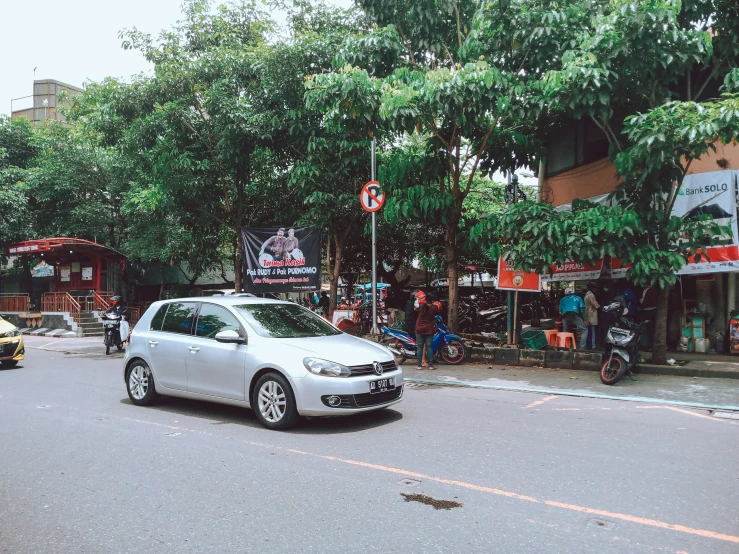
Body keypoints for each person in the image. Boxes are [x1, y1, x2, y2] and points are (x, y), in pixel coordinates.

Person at [414, 291, 440, 370]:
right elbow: (438, 308)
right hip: (429, 329)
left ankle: (419, 365)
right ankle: (431, 365)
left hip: (419, 329)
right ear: (432, 300)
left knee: (420, 347)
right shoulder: (434, 308)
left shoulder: (421, 306)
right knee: (429, 347)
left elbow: (415, 308)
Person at [584, 282, 600, 349]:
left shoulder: (587, 294)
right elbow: (595, 305)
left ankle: (589, 345)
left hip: (587, 313)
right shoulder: (591, 295)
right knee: (593, 331)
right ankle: (593, 346)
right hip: (592, 314)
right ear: (593, 288)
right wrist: (602, 307)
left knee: (589, 330)